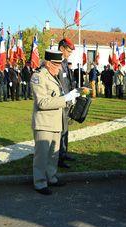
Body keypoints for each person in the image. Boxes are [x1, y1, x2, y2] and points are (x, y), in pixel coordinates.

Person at [31, 50, 80, 195]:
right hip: (44, 123)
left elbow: (56, 97)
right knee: (42, 155)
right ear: (48, 63)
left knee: (53, 154)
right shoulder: (38, 77)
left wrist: (70, 98)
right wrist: (65, 99)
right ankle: (40, 183)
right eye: (57, 65)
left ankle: (51, 178)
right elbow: (42, 102)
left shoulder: (54, 77)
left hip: (55, 121)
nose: (59, 68)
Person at [58, 38, 76, 169]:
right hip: (60, 101)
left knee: (66, 129)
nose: (70, 53)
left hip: (68, 100)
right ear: (61, 49)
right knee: (61, 130)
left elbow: (68, 81)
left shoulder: (64, 63)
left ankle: (64, 153)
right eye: (68, 51)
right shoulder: (56, 63)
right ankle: (58, 157)